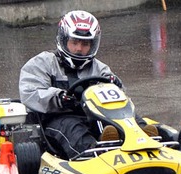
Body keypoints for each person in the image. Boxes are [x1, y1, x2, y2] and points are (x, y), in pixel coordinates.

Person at [18, 10, 155, 159]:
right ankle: (96, 155)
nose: (79, 49)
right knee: (73, 128)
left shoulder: (99, 68)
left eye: (85, 44)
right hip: (58, 119)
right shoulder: (43, 63)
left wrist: (115, 84)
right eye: (74, 42)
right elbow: (31, 92)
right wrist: (59, 98)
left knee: (130, 118)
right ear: (63, 40)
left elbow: (119, 97)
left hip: (93, 117)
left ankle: (146, 140)